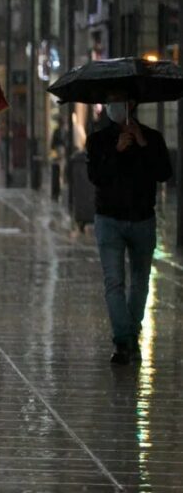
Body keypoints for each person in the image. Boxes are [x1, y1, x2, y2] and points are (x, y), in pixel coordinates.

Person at [86, 95, 172, 365]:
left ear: (132, 104)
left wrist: (143, 145)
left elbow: (164, 173)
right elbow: (95, 177)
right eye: (109, 100)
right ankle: (123, 339)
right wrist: (116, 151)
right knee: (114, 281)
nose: (113, 105)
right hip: (109, 219)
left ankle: (131, 334)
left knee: (140, 281)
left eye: (119, 100)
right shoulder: (99, 140)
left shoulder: (152, 137)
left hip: (142, 219)